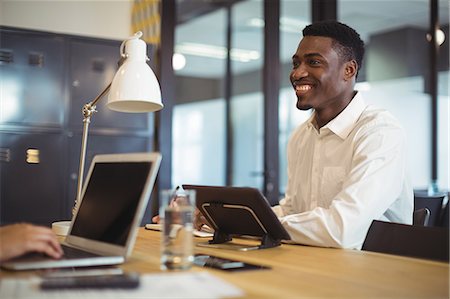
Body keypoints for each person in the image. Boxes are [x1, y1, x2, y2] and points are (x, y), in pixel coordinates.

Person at [271, 20, 413, 249]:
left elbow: (343, 229)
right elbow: (292, 210)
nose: (297, 73)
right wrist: (232, 219)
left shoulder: (379, 132)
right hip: (314, 264)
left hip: (376, 271)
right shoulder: (301, 136)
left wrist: (261, 226)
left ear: (349, 70)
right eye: (296, 63)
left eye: (313, 62)